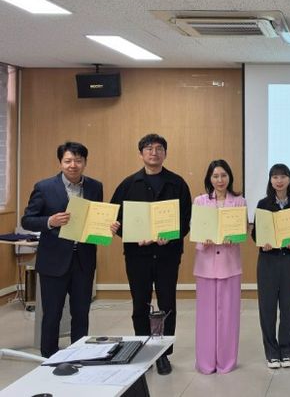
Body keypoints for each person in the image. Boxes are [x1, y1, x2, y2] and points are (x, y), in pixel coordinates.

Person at [110, 133, 191, 375]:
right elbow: (115, 219)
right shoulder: (128, 184)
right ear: (141, 153)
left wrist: (173, 235)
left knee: (167, 304)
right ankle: (143, 350)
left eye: (158, 148)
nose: (153, 152)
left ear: (165, 153)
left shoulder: (177, 183)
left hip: (168, 255)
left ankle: (163, 353)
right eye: (148, 148)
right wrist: (129, 233)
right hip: (138, 255)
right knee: (140, 304)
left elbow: (186, 219)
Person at [21, 141, 103, 357]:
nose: (73, 165)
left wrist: (106, 227)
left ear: (85, 162)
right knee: (52, 313)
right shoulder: (44, 187)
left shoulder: (95, 187)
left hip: (83, 260)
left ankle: (79, 354)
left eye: (78, 160)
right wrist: (50, 221)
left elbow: (96, 219)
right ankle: (49, 356)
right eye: (68, 161)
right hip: (53, 261)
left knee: (81, 313)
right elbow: (27, 220)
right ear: (60, 163)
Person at [251, 164, 290, 369]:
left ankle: (286, 350)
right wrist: (262, 242)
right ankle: (271, 352)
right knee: (267, 308)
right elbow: (256, 233)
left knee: (288, 308)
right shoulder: (263, 204)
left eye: (283, 176)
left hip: (289, 261)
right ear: (270, 180)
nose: (279, 180)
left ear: (289, 179)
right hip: (268, 261)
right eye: (275, 177)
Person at [193, 160, 245, 374]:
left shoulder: (239, 201)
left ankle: (226, 362)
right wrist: (202, 240)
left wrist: (235, 237)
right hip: (205, 265)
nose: (220, 180)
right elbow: (195, 229)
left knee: (229, 316)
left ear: (229, 177)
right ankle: (205, 362)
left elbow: (241, 232)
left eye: (223, 175)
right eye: (215, 176)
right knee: (206, 316)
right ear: (209, 179)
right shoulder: (200, 201)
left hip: (230, 265)